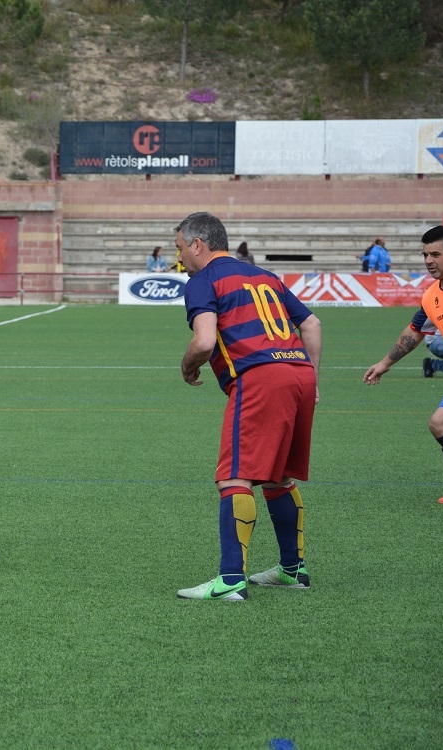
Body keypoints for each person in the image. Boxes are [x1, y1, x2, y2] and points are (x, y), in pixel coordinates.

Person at [174, 211, 321, 601]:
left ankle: (229, 580)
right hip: (300, 373)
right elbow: (312, 326)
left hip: (260, 377)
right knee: (277, 477)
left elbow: (205, 342)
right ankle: (292, 570)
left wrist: (187, 367)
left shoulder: (204, 280)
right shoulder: (264, 276)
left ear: (198, 245)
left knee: (234, 477)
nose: (180, 259)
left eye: (180, 249)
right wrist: (313, 379)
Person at [364, 225, 443, 504]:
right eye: (425, 254)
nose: (429, 260)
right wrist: (384, 363)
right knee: (441, 424)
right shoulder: (431, 297)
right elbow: (414, 332)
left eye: (435, 254)